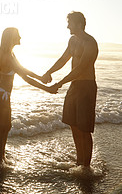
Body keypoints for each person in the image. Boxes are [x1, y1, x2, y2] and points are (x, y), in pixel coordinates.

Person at [41, 12, 98, 169]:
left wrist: (59, 83)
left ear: (79, 24)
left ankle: (86, 167)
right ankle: (79, 162)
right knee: (73, 124)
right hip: (74, 86)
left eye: (70, 23)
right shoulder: (72, 41)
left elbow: (80, 69)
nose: (67, 26)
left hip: (86, 86)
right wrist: (48, 72)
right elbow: (63, 59)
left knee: (84, 128)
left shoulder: (90, 43)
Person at [0, 27, 56, 166]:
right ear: (12, 38)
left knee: (6, 127)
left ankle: (1, 158)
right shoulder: (8, 56)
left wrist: (40, 77)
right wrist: (47, 88)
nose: (20, 38)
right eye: (18, 35)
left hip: (3, 93)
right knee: (0, 129)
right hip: (1, 94)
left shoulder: (10, 53)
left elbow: (24, 70)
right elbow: (25, 77)